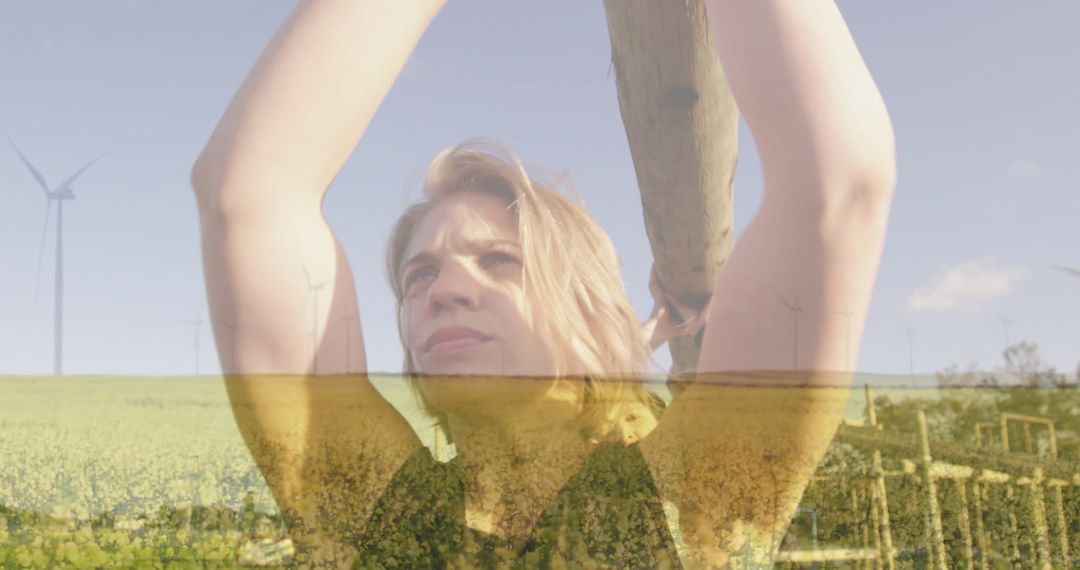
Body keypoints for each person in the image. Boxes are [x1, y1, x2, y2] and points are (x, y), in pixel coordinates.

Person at [190, 1, 895, 567]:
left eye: (499, 261)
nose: (442, 290)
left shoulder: (691, 494)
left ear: (587, 317)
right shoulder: (378, 512)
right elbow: (247, 192)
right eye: (419, 274)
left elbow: (836, 180)